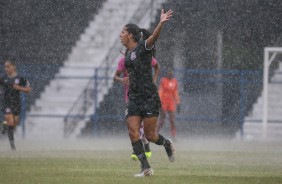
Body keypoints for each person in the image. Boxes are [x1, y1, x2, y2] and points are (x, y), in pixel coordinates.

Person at [119, 9, 174, 177]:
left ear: (130, 35)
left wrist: (161, 23)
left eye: (123, 32)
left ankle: (166, 143)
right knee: (132, 130)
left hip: (149, 97)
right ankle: (146, 168)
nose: (120, 35)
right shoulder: (127, 54)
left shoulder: (143, 47)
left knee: (150, 136)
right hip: (134, 98)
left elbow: (154, 38)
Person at [114, 55, 160, 161]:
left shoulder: (145, 56)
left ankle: (137, 148)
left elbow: (157, 66)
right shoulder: (123, 60)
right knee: (131, 126)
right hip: (130, 98)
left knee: (142, 126)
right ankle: (144, 144)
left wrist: (154, 80)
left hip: (145, 97)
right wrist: (122, 80)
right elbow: (115, 77)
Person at [0, 59, 31, 150]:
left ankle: (4, 124)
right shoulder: (3, 78)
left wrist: (19, 88)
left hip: (16, 103)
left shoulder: (21, 78)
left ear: (14, 67)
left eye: (8, 66)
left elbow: (28, 89)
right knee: (11, 121)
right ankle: (12, 147)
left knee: (14, 123)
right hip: (6, 102)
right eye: (5, 67)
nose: (6, 68)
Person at [157, 70, 180, 141]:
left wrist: (178, 102)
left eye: (171, 74)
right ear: (166, 74)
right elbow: (161, 91)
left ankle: (173, 135)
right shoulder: (163, 81)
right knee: (162, 120)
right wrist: (159, 101)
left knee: (172, 120)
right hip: (163, 102)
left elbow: (175, 92)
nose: (170, 75)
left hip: (171, 103)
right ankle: (155, 133)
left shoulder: (174, 81)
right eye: (169, 74)